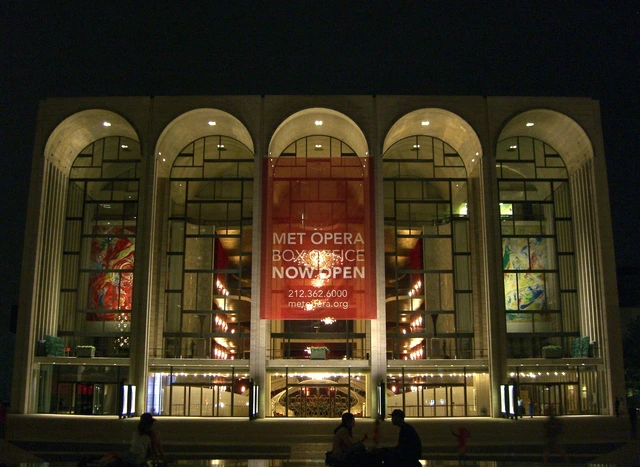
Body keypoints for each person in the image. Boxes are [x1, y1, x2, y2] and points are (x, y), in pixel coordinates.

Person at [96, 413, 169, 466]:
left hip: (135, 456)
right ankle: (101, 462)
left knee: (114, 454)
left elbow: (154, 448)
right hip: (140, 458)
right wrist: (160, 460)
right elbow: (156, 448)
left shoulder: (138, 433)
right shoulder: (152, 434)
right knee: (115, 457)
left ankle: (99, 462)